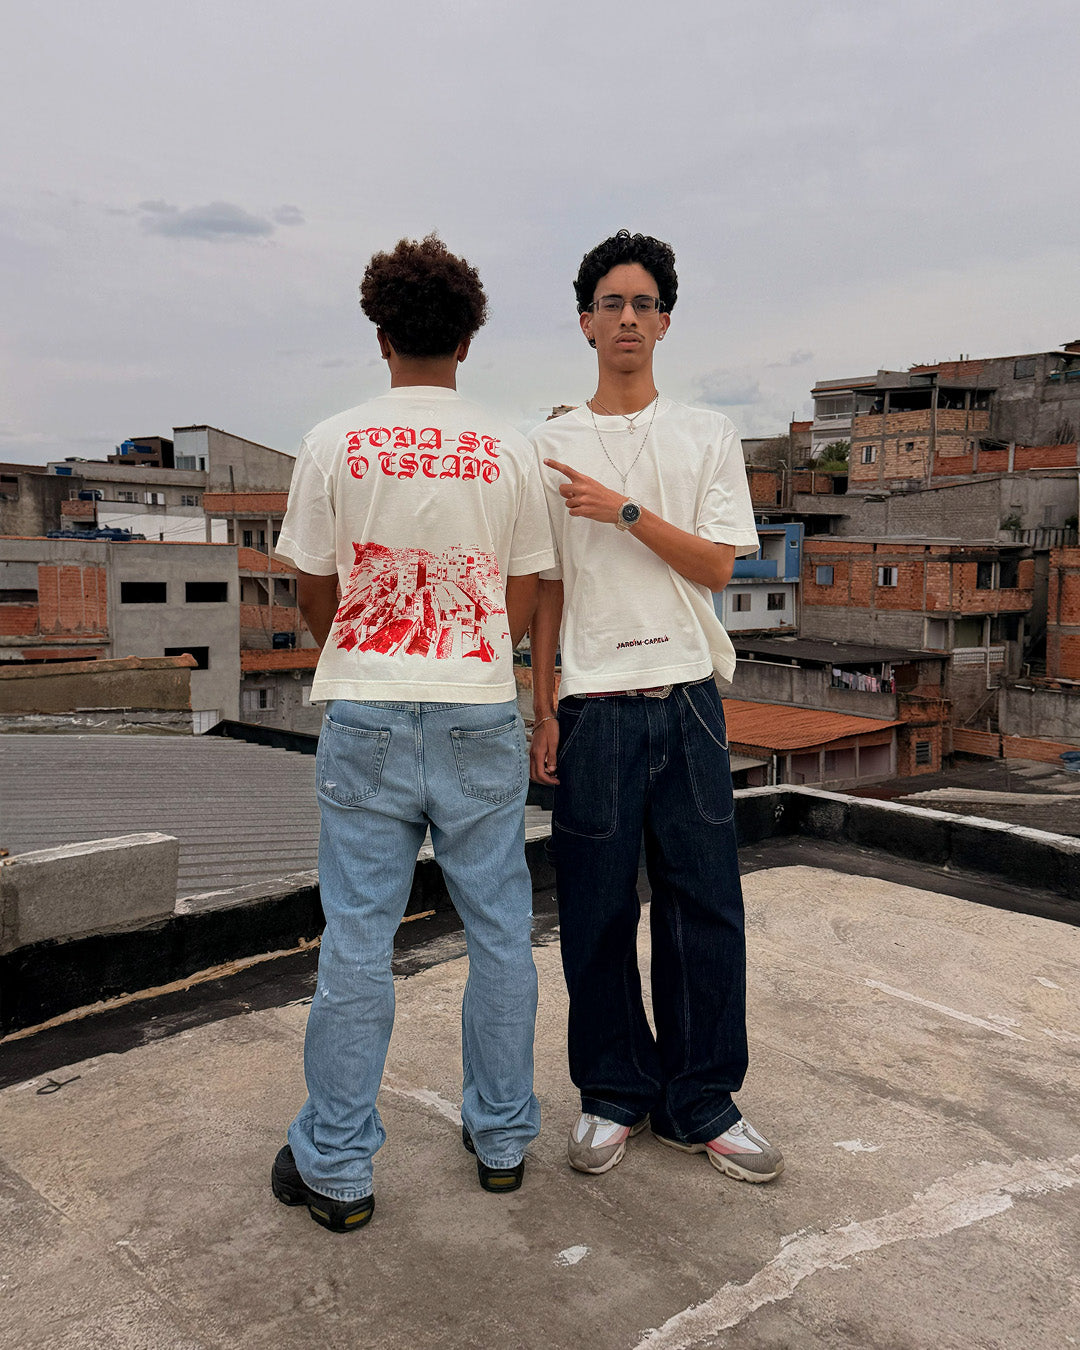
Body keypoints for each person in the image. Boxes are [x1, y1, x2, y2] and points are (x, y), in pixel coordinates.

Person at [272, 234, 554, 1232]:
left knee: (356, 940)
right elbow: (522, 591)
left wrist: (356, 645)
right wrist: (474, 653)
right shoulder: (513, 447)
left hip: (368, 709)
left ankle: (340, 1171)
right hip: (479, 709)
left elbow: (312, 584)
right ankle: (504, 1141)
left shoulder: (332, 442)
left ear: (381, 334)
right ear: (468, 342)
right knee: (500, 936)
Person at [529, 229, 784, 1183]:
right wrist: (543, 707)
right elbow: (546, 588)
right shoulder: (544, 444)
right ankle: (611, 1094)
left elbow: (721, 565)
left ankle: (704, 1100)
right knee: (594, 911)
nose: (627, 317)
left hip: (684, 695)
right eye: (611, 303)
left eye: (643, 303)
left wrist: (627, 511)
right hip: (592, 703)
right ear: (585, 320)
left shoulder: (705, 433)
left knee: (703, 904)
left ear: (665, 321)